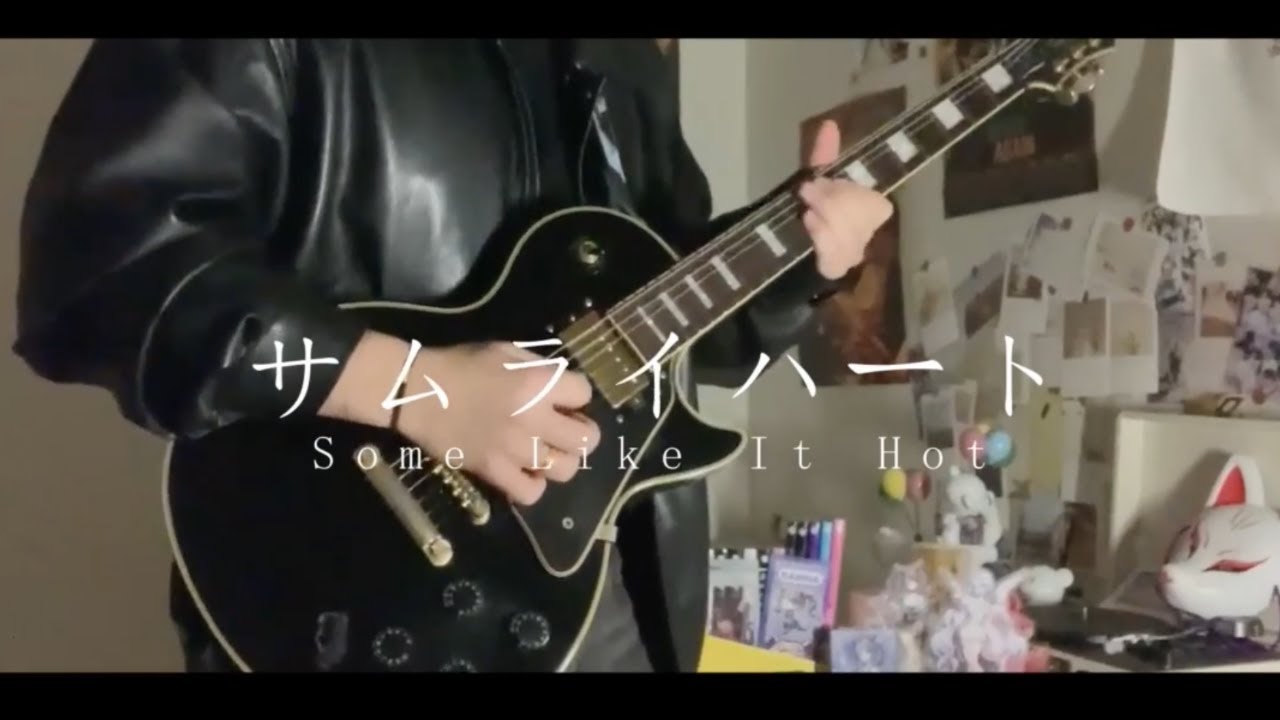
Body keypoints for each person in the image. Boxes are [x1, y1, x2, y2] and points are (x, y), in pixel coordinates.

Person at [13, 39, 893, 672]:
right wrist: (412, 386)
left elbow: (673, 334)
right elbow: (102, 265)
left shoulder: (622, 57)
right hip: (355, 595)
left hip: (622, 607)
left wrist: (800, 262)